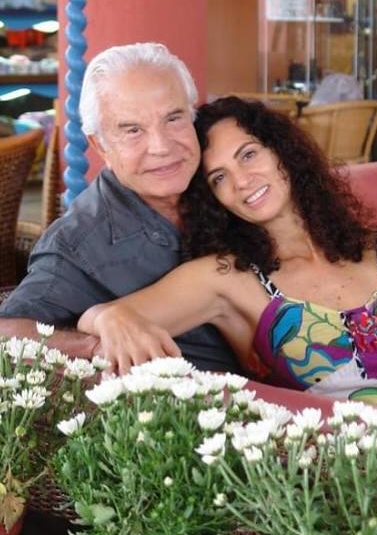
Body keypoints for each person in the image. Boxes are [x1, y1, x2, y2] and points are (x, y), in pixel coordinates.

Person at [79, 96, 377, 406]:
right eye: (219, 178)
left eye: (248, 155)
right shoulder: (227, 277)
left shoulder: (376, 248)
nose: (242, 181)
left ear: (282, 150)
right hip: (341, 469)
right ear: (212, 199)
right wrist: (107, 317)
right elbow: (100, 320)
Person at [0, 43, 241, 373]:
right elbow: (5, 336)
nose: (161, 147)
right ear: (100, 145)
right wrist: (96, 342)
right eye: (132, 130)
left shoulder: (226, 180)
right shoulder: (78, 243)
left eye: (173, 119)